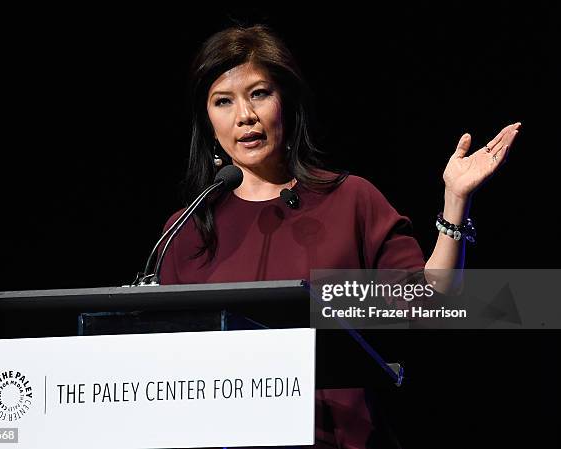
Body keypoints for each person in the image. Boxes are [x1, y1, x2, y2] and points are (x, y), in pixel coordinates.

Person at [157, 25, 520, 448]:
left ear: (286, 102)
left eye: (259, 93)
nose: (245, 116)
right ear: (208, 121)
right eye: (223, 101)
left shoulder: (349, 200)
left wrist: (455, 201)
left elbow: (431, 302)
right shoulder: (186, 229)